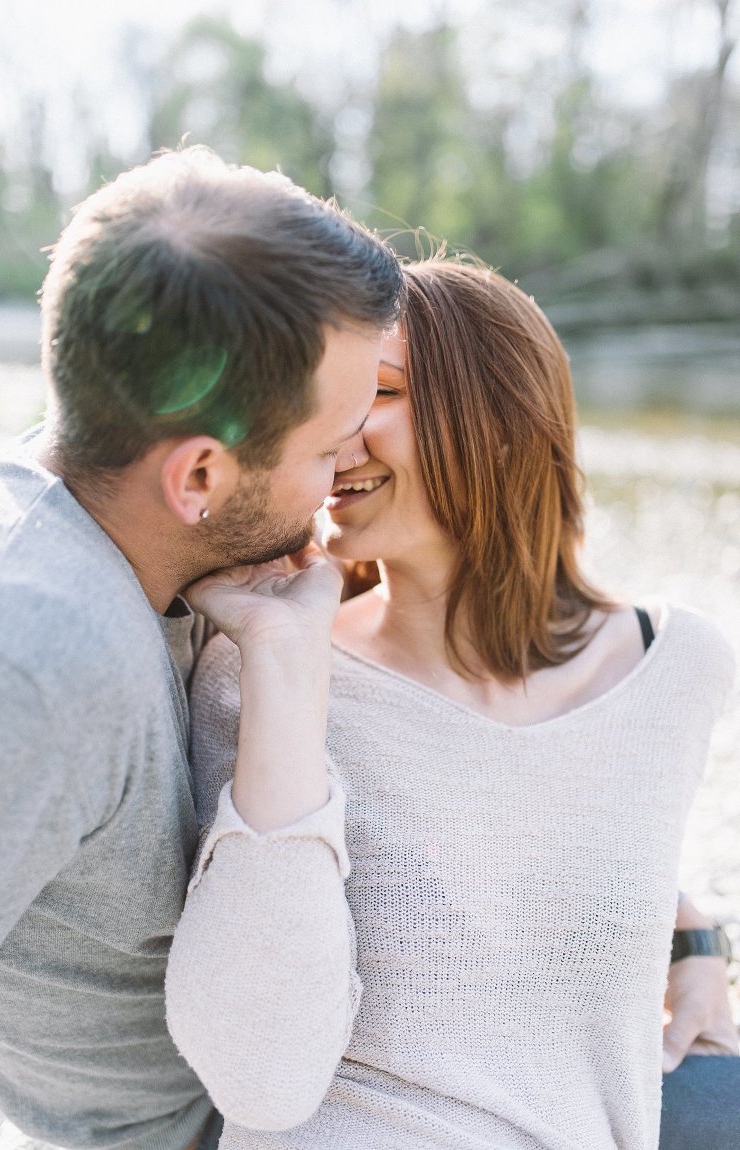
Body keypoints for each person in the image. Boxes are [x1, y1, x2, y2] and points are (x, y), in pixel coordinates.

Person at [166, 256, 737, 1149]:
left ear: (501, 419)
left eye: (377, 394)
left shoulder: (676, 667)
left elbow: (519, 843)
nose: (332, 439)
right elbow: (261, 1073)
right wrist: (284, 663)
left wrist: (695, 939)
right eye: (318, 408)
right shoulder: (262, 673)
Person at [0, 145, 404, 1150]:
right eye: (329, 445)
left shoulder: (130, 527)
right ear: (200, 477)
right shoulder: (30, 661)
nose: (353, 464)